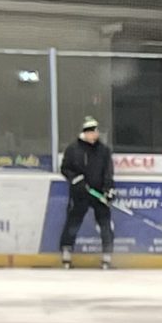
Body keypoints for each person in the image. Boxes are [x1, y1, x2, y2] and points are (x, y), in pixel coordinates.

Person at [57, 114, 117, 268]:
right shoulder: (73, 149)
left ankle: (107, 255)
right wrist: (76, 180)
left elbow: (108, 172)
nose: (95, 134)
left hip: (99, 193)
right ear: (85, 132)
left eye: (96, 131)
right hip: (80, 194)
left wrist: (109, 189)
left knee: (104, 224)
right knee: (73, 222)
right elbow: (65, 168)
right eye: (92, 131)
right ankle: (66, 252)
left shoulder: (103, 151)